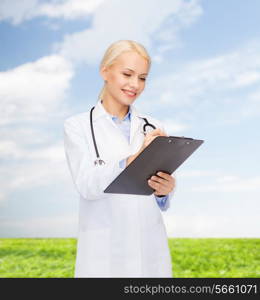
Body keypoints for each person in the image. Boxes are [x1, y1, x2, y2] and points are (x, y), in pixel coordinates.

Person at [63, 40, 176, 278]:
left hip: (149, 252)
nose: (135, 84)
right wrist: (131, 161)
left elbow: (161, 193)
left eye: (143, 78)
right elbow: (86, 185)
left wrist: (164, 190)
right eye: (127, 74)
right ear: (105, 71)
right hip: (104, 255)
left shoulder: (153, 126)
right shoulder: (78, 126)